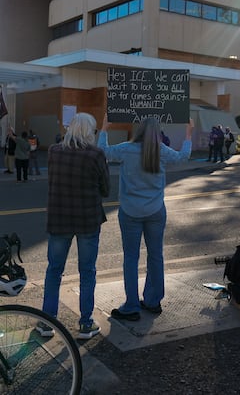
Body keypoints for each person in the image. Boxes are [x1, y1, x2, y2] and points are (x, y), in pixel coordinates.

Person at [98, 115, 193, 321]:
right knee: (155, 255)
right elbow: (183, 156)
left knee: (131, 258)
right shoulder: (162, 151)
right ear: (157, 132)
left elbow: (103, 151)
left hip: (130, 211)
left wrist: (104, 128)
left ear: (139, 131)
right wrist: (188, 132)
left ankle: (131, 306)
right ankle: (152, 300)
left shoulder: (126, 149)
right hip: (156, 211)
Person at [38, 112, 109, 340]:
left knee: (54, 271)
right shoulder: (96, 154)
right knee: (87, 272)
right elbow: (106, 189)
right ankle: (86, 324)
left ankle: (47, 323)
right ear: (90, 132)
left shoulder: (53, 152)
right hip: (87, 220)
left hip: (59, 219)